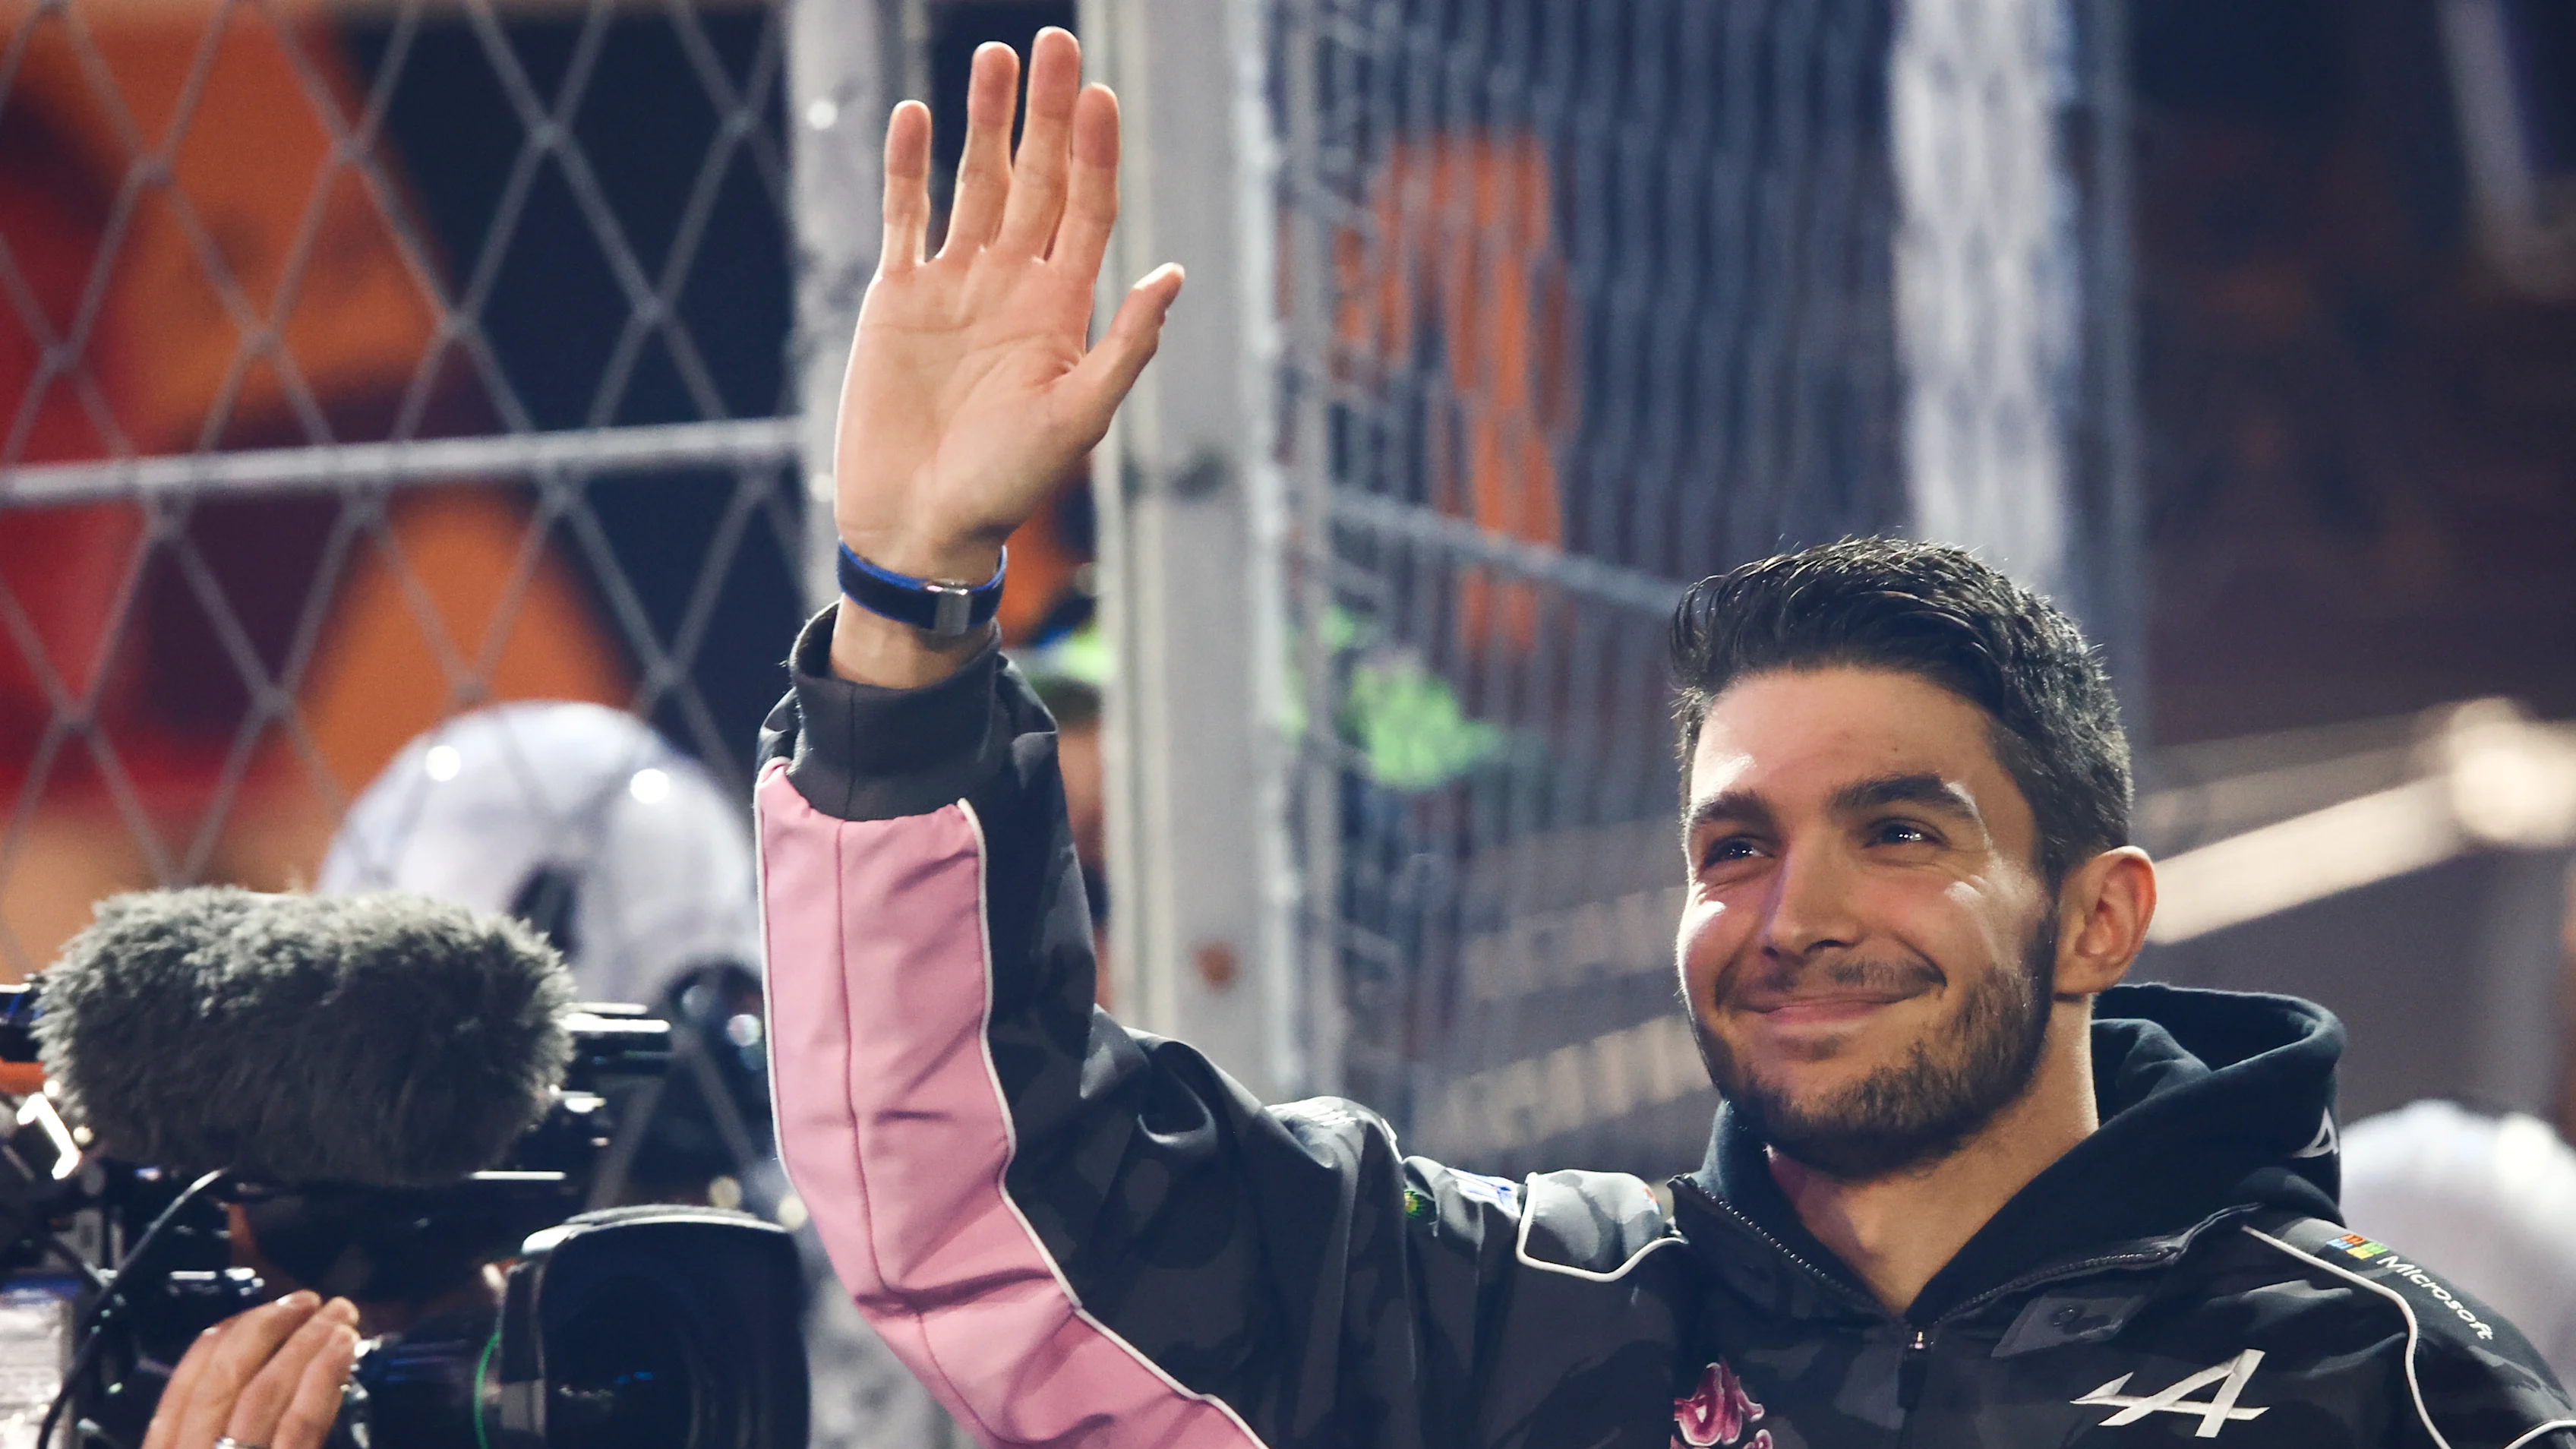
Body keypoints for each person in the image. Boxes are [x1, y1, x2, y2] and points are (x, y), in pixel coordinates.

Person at [757, 26, 2576, 1447]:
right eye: (1733, 844)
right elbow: (987, 1189)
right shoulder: (1510, 1321)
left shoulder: (2383, 1389)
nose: (1796, 910)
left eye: (1904, 831)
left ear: (2097, 915)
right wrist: (909, 595)